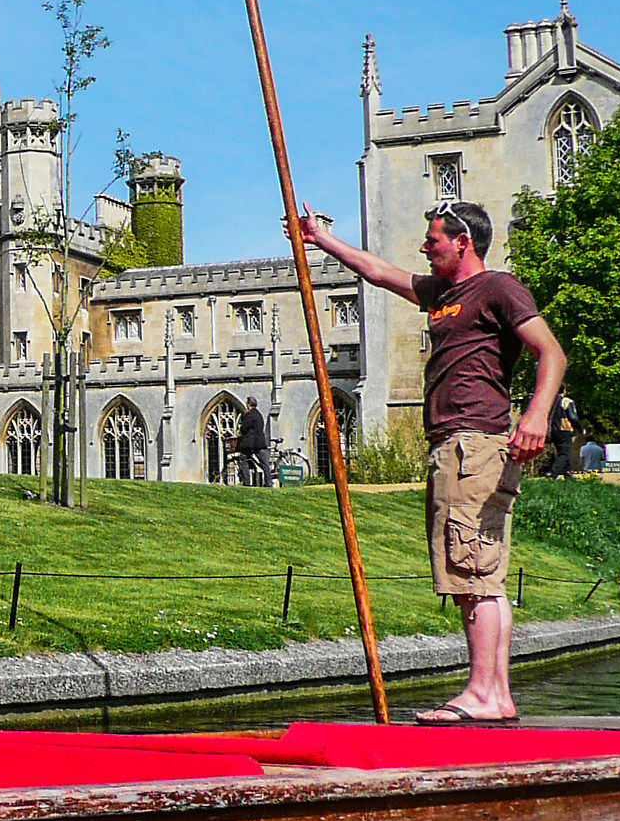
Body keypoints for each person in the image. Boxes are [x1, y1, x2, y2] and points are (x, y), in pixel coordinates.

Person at [296, 200, 567, 724]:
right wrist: (320, 239)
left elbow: (551, 352)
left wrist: (535, 416)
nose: (425, 246)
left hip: (474, 443)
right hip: (454, 445)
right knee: (481, 571)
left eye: (434, 239)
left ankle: (483, 694)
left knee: (472, 571)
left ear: (463, 240)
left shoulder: (499, 288)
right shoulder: (444, 293)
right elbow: (380, 273)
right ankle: (497, 696)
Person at [236, 397, 270, 487]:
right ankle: (268, 482)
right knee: (265, 464)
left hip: (251, 443)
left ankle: (246, 482)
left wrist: (240, 433)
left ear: (248, 404)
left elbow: (244, 427)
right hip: (260, 442)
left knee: (243, 459)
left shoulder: (249, 414)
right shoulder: (259, 414)